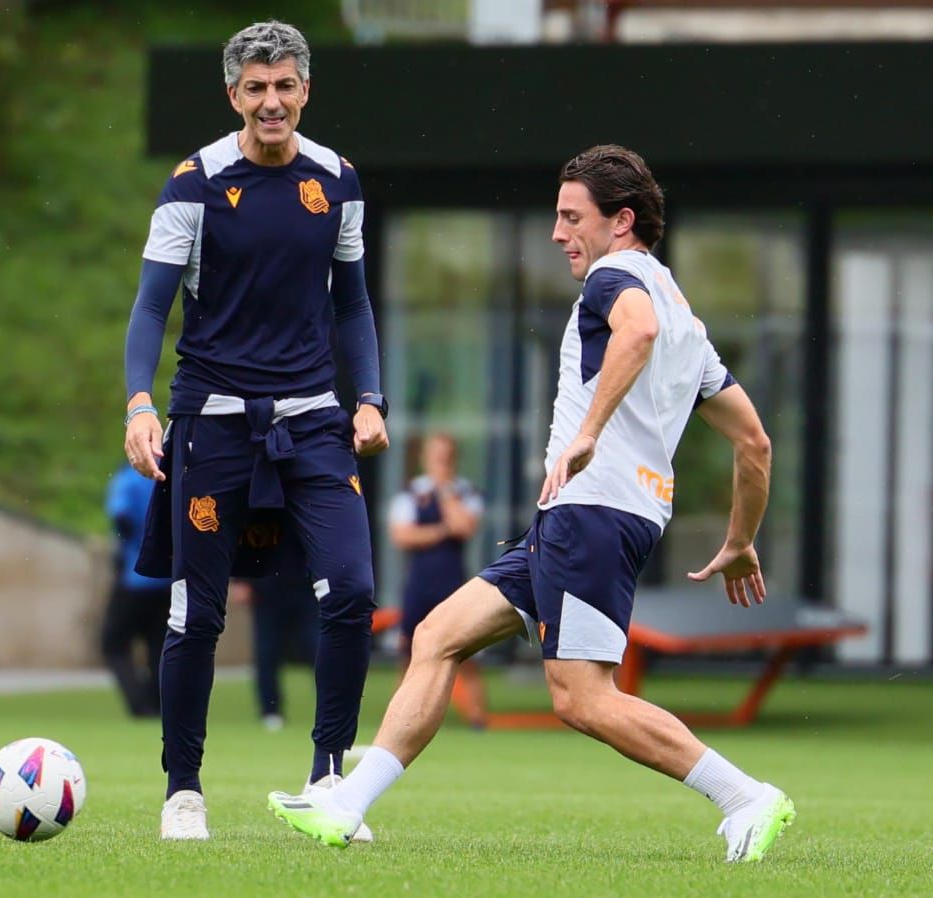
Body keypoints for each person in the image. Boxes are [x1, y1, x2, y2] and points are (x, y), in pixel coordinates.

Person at [269, 145, 794, 863]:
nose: (558, 233)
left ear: (623, 221)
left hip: (594, 513)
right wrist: (740, 538)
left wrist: (586, 433)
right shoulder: (689, 322)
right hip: (586, 517)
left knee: (581, 698)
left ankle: (745, 796)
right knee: (439, 636)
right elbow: (755, 443)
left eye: (572, 217)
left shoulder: (619, 278)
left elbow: (634, 333)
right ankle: (346, 804)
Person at [122, 20, 388, 842]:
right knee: (195, 616)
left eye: (284, 86)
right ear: (233, 94)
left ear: (305, 90)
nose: (270, 101)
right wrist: (138, 404)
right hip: (212, 426)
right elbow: (150, 309)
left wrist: (370, 396)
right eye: (255, 88)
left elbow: (352, 303)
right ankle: (183, 792)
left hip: (313, 424)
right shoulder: (192, 186)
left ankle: (327, 779)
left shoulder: (338, 183)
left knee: (352, 592)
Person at [387, 433, 487, 727]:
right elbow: (403, 536)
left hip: (453, 581)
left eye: (445, 456)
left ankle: (477, 716)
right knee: (408, 649)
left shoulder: (465, 492)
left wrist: (444, 493)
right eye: (435, 455)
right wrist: (443, 531)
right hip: (419, 581)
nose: (440, 462)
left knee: (466, 649)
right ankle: (398, 716)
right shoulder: (409, 493)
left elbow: (464, 527)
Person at [102, 464, 171, 717]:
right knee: (158, 646)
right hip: (167, 578)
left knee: (113, 643)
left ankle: (140, 704)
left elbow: (121, 517)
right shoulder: (172, 476)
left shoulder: (129, 478)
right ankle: (158, 703)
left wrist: (123, 552)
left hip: (135, 578)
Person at [230, 573, 318, 731]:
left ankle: (331, 710)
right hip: (266, 586)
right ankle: (271, 711)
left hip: (309, 583)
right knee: (266, 652)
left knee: (319, 649)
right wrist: (241, 580)